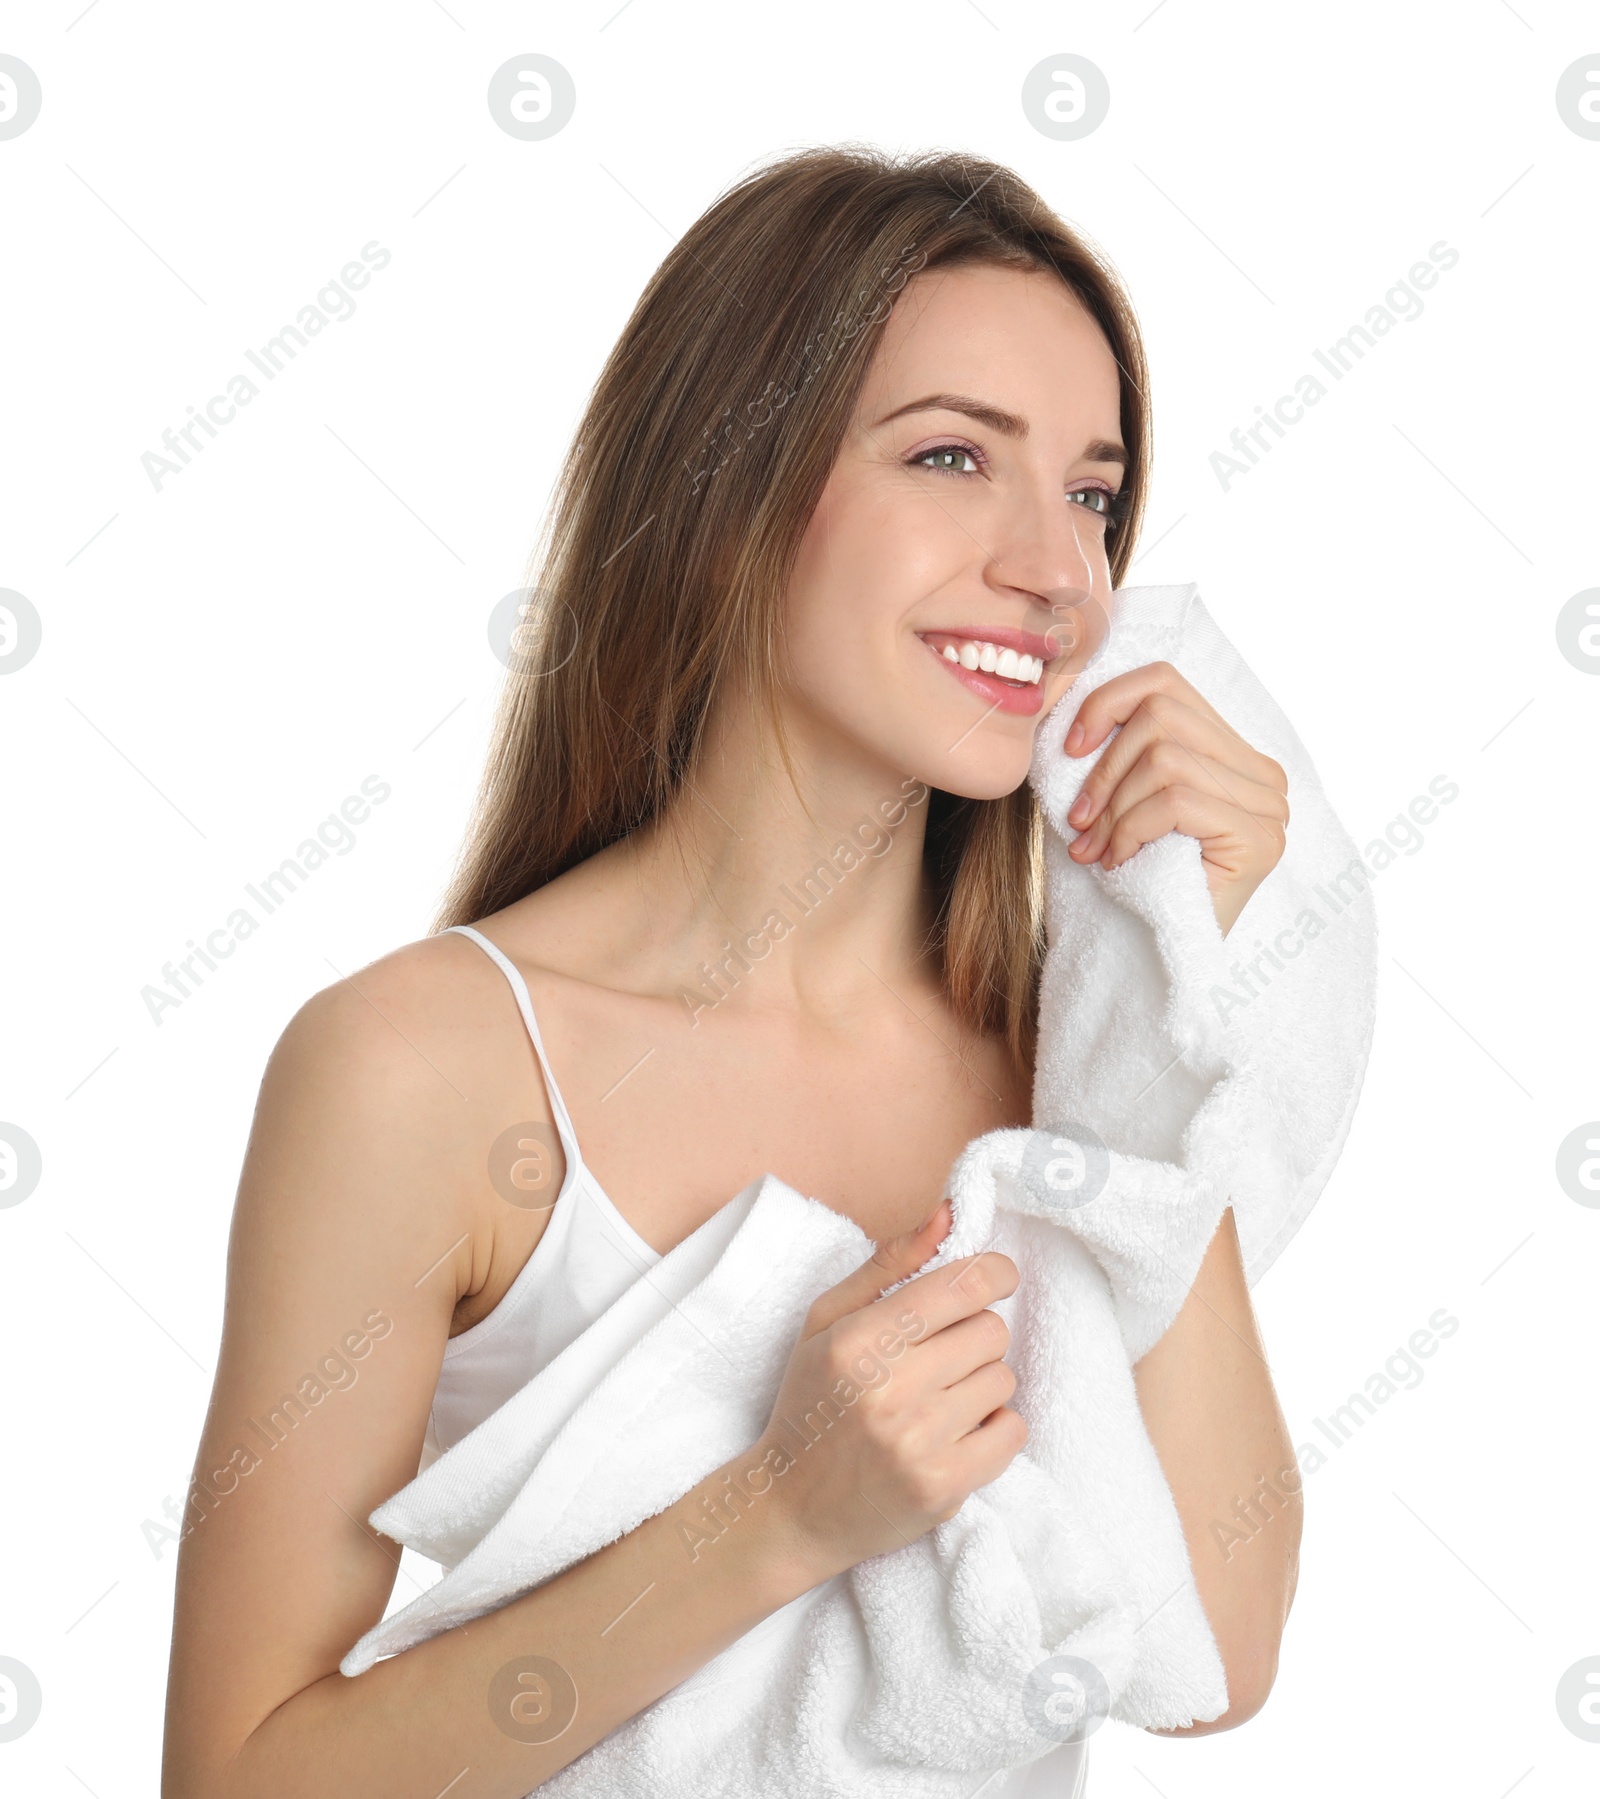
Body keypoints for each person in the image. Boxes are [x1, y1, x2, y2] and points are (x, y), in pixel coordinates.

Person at [162, 146, 1298, 1798]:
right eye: (950, 456)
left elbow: (1217, 1659)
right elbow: (237, 1776)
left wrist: (1159, 971)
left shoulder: (1061, 1059)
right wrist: (778, 1515)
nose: (1059, 571)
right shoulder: (422, 1071)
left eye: (1092, 492)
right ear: (726, 484)